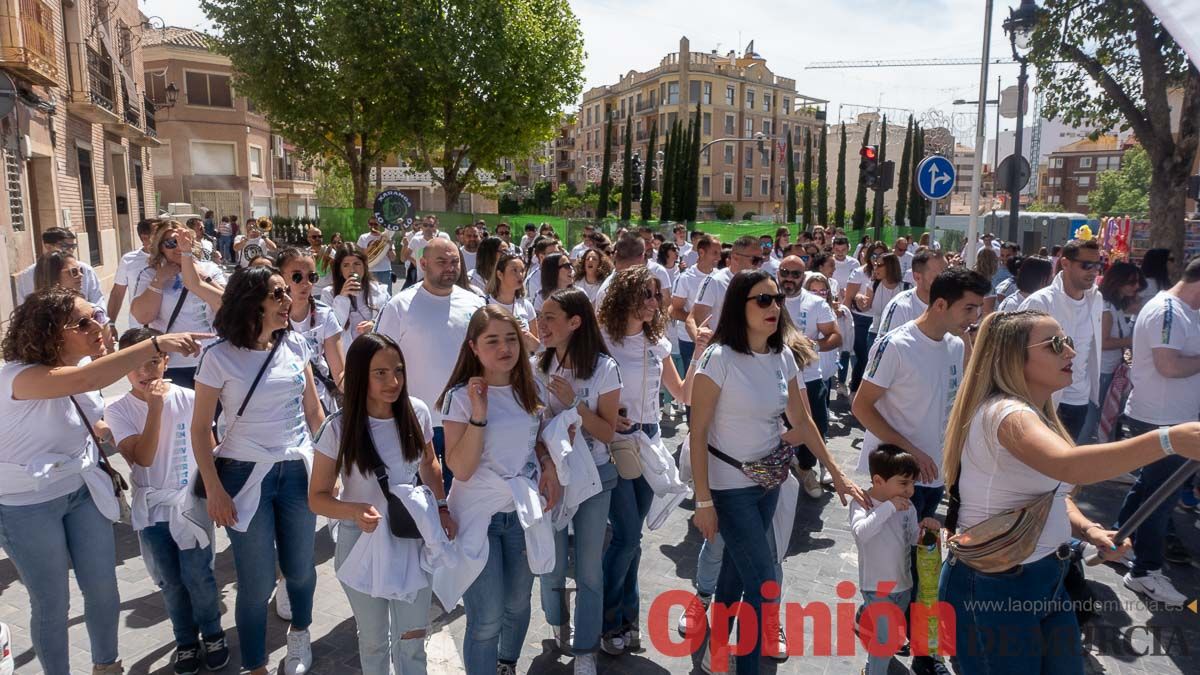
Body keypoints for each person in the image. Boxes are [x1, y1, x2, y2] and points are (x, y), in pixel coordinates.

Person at [938, 308, 1200, 674]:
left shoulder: (1036, 413)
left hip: (1045, 578)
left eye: (1069, 342)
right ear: (1013, 358)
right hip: (994, 584)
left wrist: (1089, 530)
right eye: (1055, 344)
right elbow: (1071, 467)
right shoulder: (1006, 414)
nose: (1071, 353)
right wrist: (1168, 440)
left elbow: (1056, 493)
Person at [0, 288, 205, 675]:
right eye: (83, 322)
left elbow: (80, 412)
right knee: (52, 603)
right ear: (49, 332)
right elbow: (85, 378)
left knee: (103, 591)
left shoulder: (83, 375)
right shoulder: (18, 375)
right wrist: (155, 344)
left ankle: (107, 667)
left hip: (81, 492)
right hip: (26, 506)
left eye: (95, 315)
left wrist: (107, 430)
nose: (97, 324)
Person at [689, 270, 865, 674]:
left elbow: (802, 422)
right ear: (740, 305)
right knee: (763, 583)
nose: (774, 307)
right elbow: (697, 434)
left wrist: (836, 474)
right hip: (729, 487)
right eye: (762, 300)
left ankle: (715, 654)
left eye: (777, 298)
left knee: (736, 576)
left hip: (768, 483)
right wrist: (703, 501)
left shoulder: (783, 355)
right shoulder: (718, 358)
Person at [852, 267, 990, 675]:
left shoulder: (956, 343)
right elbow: (862, 406)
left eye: (978, 308)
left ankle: (925, 654)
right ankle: (879, 646)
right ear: (941, 304)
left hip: (936, 480)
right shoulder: (896, 344)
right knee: (893, 570)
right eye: (969, 308)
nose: (974, 317)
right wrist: (911, 452)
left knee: (925, 568)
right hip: (898, 482)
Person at [190, 266, 325, 675]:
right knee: (256, 582)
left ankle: (299, 636)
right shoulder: (218, 356)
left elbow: (314, 411)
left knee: (301, 570)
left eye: (288, 292)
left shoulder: (296, 346)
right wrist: (214, 489)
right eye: (278, 294)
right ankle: (255, 664)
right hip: (244, 478)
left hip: (297, 473)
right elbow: (199, 429)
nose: (289, 301)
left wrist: (330, 467)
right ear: (254, 302)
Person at [309, 333, 454, 674]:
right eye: (381, 373)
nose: (394, 381)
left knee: (413, 640)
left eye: (399, 371)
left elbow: (430, 464)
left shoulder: (416, 411)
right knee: (373, 641)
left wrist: (443, 507)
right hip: (360, 542)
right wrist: (353, 510)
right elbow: (317, 498)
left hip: (410, 537)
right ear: (361, 375)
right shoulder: (338, 427)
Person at [437, 306, 560, 675]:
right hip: (479, 517)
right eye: (492, 340)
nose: (505, 347)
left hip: (522, 513)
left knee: (518, 604)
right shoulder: (460, 397)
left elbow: (535, 439)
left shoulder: (532, 386)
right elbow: (460, 468)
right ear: (474, 347)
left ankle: (506, 665)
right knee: (487, 617)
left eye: (511, 338)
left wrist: (550, 466)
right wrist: (479, 413)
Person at [105, 327, 228, 674]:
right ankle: (185, 640)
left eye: (153, 362)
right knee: (170, 582)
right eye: (136, 364)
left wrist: (218, 492)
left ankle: (213, 633)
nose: (146, 372)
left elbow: (212, 446)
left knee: (199, 576)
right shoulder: (118, 409)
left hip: (191, 504)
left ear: (166, 361)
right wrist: (155, 409)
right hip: (153, 510)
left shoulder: (191, 397)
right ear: (122, 365)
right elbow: (141, 458)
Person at [596, 267, 701, 657]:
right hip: (617, 444)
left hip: (651, 442)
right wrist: (606, 416)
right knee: (625, 536)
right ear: (624, 295)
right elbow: (585, 388)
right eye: (646, 294)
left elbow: (683, 394)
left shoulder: (657, 340)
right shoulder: (602, 340)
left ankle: (627, 619)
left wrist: (700, 352)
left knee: (633, 540)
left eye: (657, 295)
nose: (654, 303)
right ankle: (610, 623)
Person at [535, 288, 623, 674]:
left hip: (595, 478)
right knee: (551, 563)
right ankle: (557, 622)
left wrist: (574, 405)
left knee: (589, 568)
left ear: (575, 322)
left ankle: (585, 648)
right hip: (551, 477)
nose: (542, 324)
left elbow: (607, 433)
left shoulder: (604, 368)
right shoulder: (539, 365)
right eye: (541, 315)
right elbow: (533, 428)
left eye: (550, 317)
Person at [1113, 257, 1200, 606]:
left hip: (1172, 417)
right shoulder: (1168, 311)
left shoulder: (1181, 311)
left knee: (1150, 489)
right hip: (1162, 420)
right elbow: (1168, 365)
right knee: (1160, 499)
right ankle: (1145, 571)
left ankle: (1118, 543)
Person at [377, 239, 486, 495]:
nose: (450, 268)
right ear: (423, 264)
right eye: (442, 262)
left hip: (463, 420)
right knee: (421, 502)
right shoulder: (399, 306)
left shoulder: (476, 304)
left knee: (463, 497)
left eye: (454, 262)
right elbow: (380, 360)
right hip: (416, 422)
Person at [851, 445, 939, 675]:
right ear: (879, 480)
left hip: (903, 586)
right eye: (904, 483)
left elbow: (911, 540)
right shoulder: (863, 503)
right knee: (886, 640)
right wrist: (889, 508)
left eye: (912, 483)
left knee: (887, 637)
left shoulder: (907, 507)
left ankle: (872, 666)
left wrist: (926, 531)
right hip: (876, 588)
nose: (910, 490)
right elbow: (862, 533)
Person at [1019, 239, 1104, 443]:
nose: (1093, 271)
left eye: (1098, 265)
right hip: (1043, 399)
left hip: (1080, 400)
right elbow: (1016, 350)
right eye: (1086, 265)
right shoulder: (1040, 301)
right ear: (1065, 264)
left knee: (1066, 468)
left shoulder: (1097, 299)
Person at [130, 223, 226, 390]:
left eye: (183, 241)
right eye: (170, 243)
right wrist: (159, 281)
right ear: (160, 248)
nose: (178, 247)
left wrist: (205, 279)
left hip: (210, 359)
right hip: (170, 363)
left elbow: (227, 308)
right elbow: (143, 316)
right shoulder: (149, 274)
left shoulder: (210, 269)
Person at [779, 256, 842, 498]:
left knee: (815, 424)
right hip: (775, 377)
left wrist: (813, 345)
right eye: (785, 272)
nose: (790, 278)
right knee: (780, 427)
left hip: (810, 376)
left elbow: (836, 337)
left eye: (796, 274)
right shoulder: (768, 299)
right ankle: (778, 470)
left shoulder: (816, 304)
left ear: (803, 277)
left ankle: (806, 469)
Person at [279, 248, 346, 413]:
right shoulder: (268, 316)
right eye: (297, 276)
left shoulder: (325, 315)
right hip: (283, 403)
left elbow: (339, 373)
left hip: (320, 401)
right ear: (280, 277)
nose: (305, 283)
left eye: (312, 277)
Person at [688, 236, 765, 338]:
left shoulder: (762, 282)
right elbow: (696, 317)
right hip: (724, 348)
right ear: (735, 258)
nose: (759, 265)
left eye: (761, 260)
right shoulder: (715, 281)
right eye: (755, 260)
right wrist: (708, 346)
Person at [15, 227, 105, 306]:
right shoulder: (28, 275)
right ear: (48, 246)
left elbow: (97, 299)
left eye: (73, 246)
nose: (70, 250)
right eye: (65, 246)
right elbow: (24, 305)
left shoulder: (85, 269)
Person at [842, 242, 888, 392]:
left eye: (881, 256)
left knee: (876, 359)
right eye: (874, 255)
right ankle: (855, 389)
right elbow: (848, 298)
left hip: (881, 321)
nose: (877, 259)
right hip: (860, 320)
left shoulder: (890, 276)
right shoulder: (859, 272)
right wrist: (845, 323)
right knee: (863, 357)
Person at [1096, 262, 1143, 409]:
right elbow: (1103, 343)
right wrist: (1131, 341)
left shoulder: (1115, 305)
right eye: (1131, 283)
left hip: (1110, 369)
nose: (1136, 287)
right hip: (1103, 371)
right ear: (1117, 282)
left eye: (1137, 282)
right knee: (1098, 415)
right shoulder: (1107, 308)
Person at [330, 246, 391, 358]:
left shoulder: (380, 291)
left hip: (375, 352)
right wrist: (342, 297)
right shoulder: (329, 294)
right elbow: (333, 327)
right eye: (346, 265)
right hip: (346, 355)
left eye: (357, 264)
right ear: (340, 269)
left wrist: (374, 324)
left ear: (365, 265)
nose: (352, 270)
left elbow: (391, 320)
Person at [671, 235, 720, 367]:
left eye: (719, 253)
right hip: (689, 341)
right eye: (714, 253)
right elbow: (674, 311)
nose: (718, 258)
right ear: (702, 252)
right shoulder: (685, 278)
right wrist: (696, 321)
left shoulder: (719, 277)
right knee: (691, 381)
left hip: (716, 339)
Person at [877, 250, 948, 336]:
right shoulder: (900, 307)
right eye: (939, 276)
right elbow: (885, 346)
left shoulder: (954, 303)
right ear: (917, 277)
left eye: (948, 274)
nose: (947, 280)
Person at [108, 218, 159, 331]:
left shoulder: (171, 257)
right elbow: (117, 294)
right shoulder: (128, 260)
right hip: (139, 328)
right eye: (159, 234)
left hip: (169, 327)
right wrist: (111, 323)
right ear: (145, 237)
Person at [485, 253, 540, 351]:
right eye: (514, 270)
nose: (520, 275)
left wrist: (524, 334)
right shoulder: (485, 304)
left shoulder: (526, 305)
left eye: (522, 271)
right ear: (500, 274)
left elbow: (536, 347)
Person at [863, 252, 907, 345]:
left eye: (879, 265)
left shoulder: (905, 288)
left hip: (897, 337)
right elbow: (865, 307)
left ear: (890, 267)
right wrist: (858, 297)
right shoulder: (873, 285)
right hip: (875, 334)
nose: (875, 268)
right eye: (875, 265)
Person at [357, 218, 398, 292]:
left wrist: (389, 247)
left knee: (386, 296)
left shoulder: (387, 237)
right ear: (368, 225)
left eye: (375, 224)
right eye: (371, 224)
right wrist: (371, 247)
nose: (373, 226)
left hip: (385, 271)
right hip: (369, 271)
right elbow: (360, 256)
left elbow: (393, 258)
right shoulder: (363, 237)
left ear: (380, 225)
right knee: (369, 296)